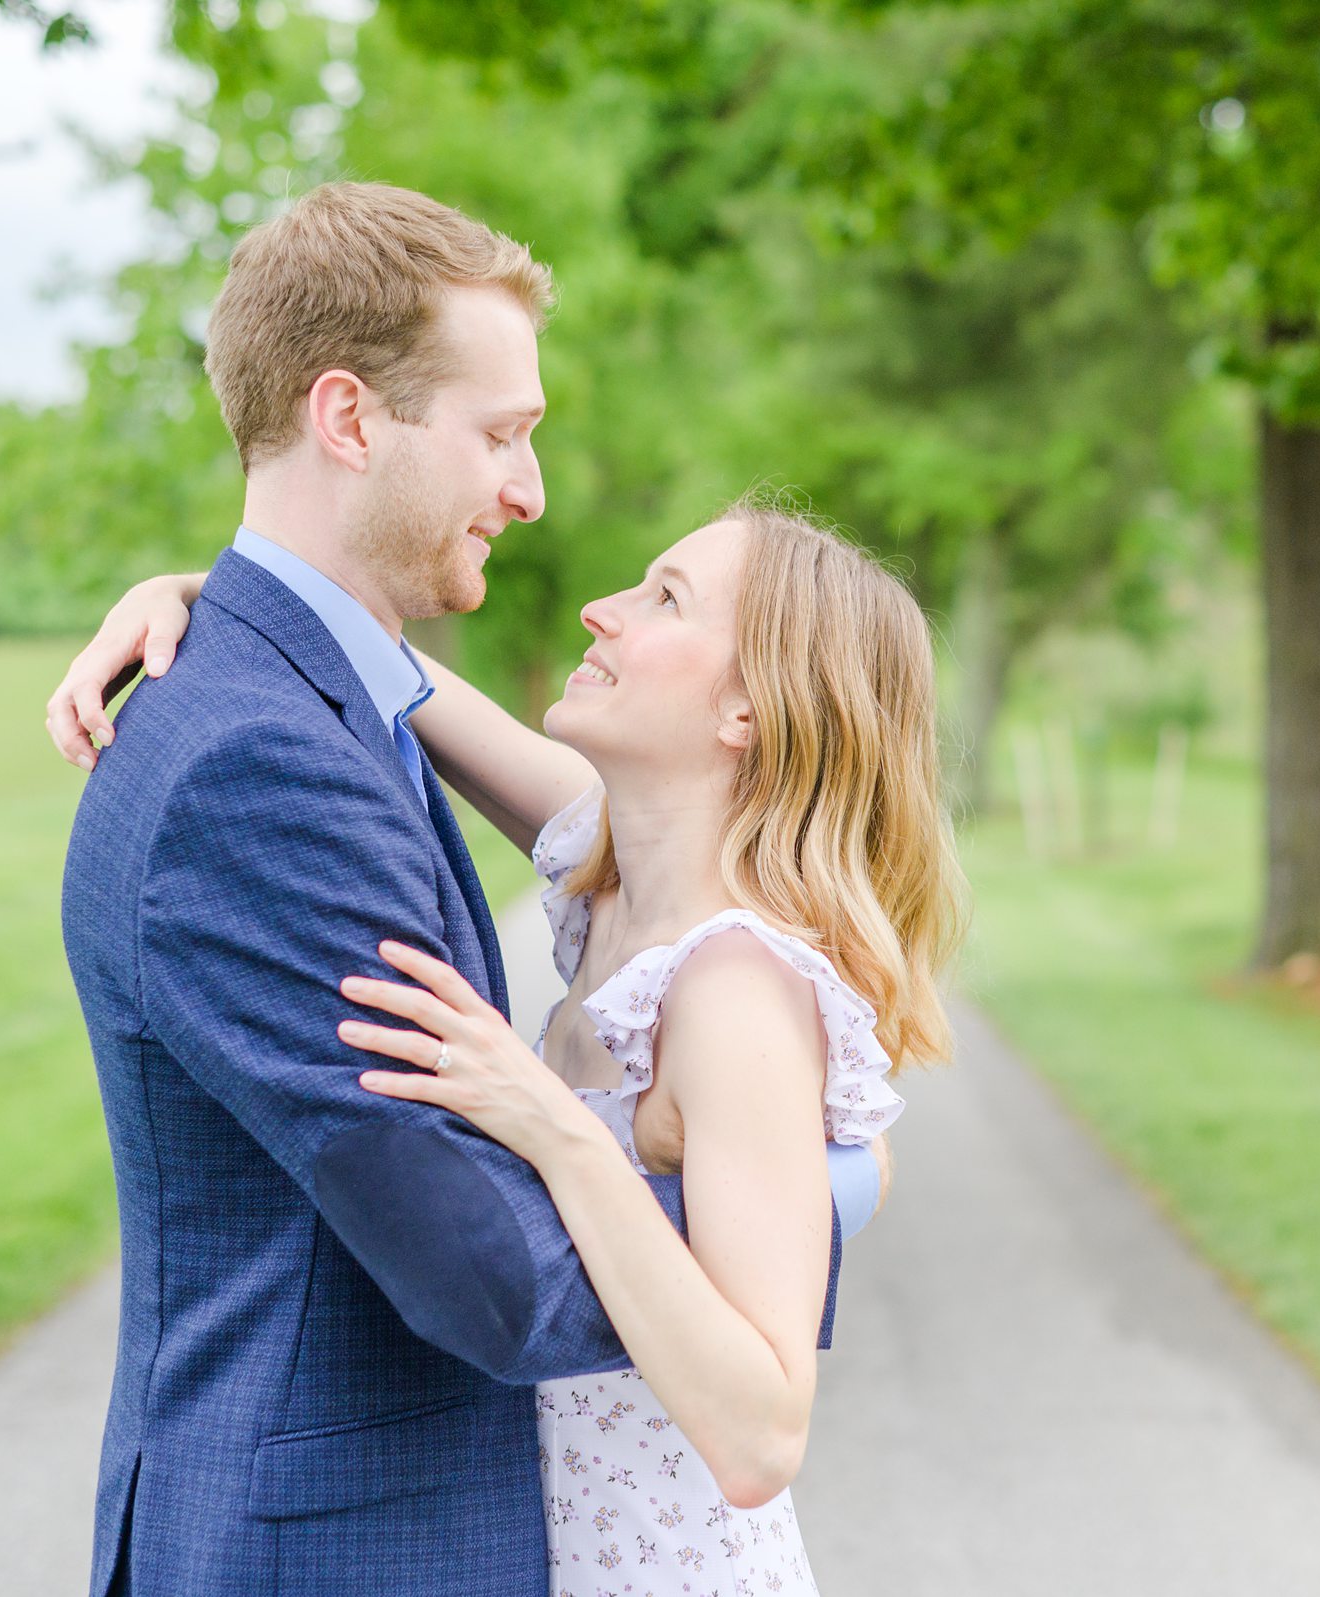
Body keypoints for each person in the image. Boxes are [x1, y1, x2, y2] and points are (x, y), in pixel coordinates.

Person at [51, 181, 922, 1597]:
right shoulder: (299, 773)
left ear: (755, 711)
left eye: (665, 599)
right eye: (503, 434)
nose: (536, 504)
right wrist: (200, 591)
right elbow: (488, 1265)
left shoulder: (702, 944)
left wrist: (691, 1157)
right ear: (349, 420)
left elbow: (751, 1399)